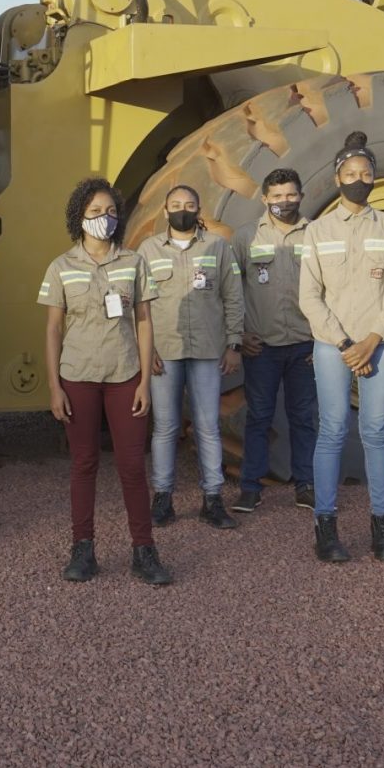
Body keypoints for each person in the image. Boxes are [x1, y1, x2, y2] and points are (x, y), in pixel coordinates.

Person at [38, 178, 170, 586]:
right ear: (79, 217)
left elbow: (144, 322)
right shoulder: (61, 266)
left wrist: (145, 382)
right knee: (84, 464)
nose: (104, 218)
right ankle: (83, 549)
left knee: (132, 466)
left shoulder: (134, 262)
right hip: (77, 376)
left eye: (110, 211)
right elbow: (53, 330)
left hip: (123, 375)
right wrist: (54, 387)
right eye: (95, 212)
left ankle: (144, 551)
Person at [298, 131, 384, 563]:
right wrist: (346, 343)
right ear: (337, 177)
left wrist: (372, 339)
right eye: (350, 173)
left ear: (374, 178)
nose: (358, 179)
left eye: (365, 173)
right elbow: (310, 296)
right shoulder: (318, 230)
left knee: (376, 431)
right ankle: (325, 528)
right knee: (331, 432)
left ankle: (382, 527)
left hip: (378, 343)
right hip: (333, 345)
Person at [141, 184, 242, 529]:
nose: (182, 209)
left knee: (208, 427)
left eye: (189, 204)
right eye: (175, 204)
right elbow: (138, 305)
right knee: (165, 428)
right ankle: (162, 498)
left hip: (206, 350)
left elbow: (233, 296)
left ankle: (212, 500)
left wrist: (234, 344)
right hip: (164, 352)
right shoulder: (149, 250)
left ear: (199, 210)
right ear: (165, 210)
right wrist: (147, 349)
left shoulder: (217, 247)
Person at [231, 169, 318, 514]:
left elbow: (331, 288)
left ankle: (306, 485)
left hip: (304, 345)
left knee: (303, 417)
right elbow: (230, 290)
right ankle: (250, 488)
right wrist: (239, 335)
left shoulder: (315, 235)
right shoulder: (246, 236)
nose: (285, 202)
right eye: (277, 196)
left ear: (301, 195)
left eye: (291, 195)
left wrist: (322, 340)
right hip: (261, 346)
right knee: (259, 417)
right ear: (265, 199)